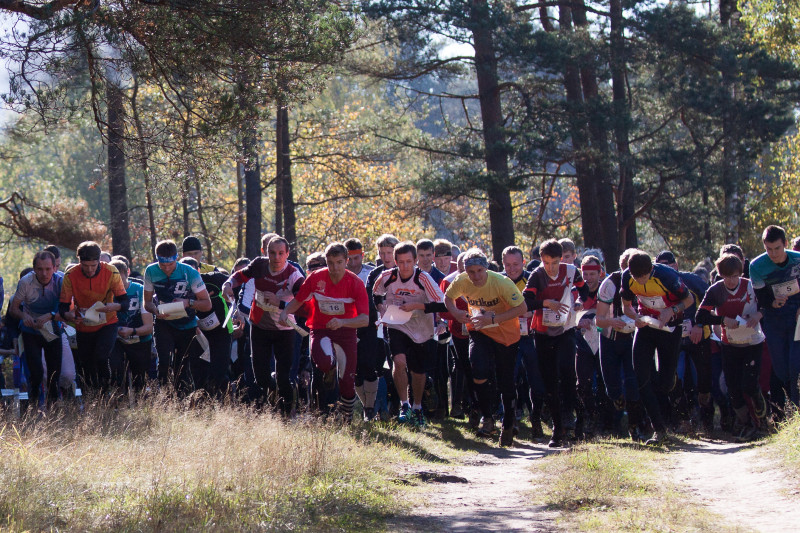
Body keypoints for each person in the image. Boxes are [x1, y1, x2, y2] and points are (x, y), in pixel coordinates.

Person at [445, 248, 527, 447]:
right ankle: (487, 418)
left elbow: (522, 308)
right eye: (471, 272)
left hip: (506, 334)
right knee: (478, 370)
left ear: (486, 268)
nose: (475, 276)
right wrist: (456, 313)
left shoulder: (501, 282)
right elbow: (448, 298)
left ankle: (508, 424)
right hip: (480, 330)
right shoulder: (462, 280)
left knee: (505, 380)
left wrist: (494, 317)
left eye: (479, 271)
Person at [279, 243, 369, 422]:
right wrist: (285, 311)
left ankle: (346, 417)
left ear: (347, 261)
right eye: (330, 263)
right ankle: (329, 371)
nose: (335, 268)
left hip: (346, 333)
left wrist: (343, 321)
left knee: (347, 380)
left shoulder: (356, 284)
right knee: (324, 362)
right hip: (321, 329)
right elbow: (299, 299)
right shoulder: (316, 278)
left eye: (339, 262)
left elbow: (365, 319)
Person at [223, 236, 304, 414]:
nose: (276, 257)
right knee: (260, 378)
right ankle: (271, 387)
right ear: (266, 253)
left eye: (280, 253)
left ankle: (285, 417)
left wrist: (280, 304)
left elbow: (304, 304)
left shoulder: (293, 274)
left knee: (284, 377)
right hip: (259, 327)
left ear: (287, 254)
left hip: (285, 329)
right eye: (272, 253)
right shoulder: (259, 265)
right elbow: (240, 276)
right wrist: (228, 284)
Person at [621, 251, 694, 445]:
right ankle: (659, 429)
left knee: (665, 381)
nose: (640, 282)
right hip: (646, 327)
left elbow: (689, 300)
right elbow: (626, 306)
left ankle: (676, 415)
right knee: (641, 376)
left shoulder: (667, 276)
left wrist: (671, 310)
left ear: (651, 270)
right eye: (636, 278)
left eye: (643, 278)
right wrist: (635, 317)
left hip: (670, 328)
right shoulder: (628, 277)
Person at [372, 241, 447, 427]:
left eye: (408, 262)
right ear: (395, 261)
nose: (405, 266)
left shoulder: (424, 279)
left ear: (415, 261)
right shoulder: (387, 276)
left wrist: (417, 306)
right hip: (397, 324)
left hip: (421, 328)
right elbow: (376, 294)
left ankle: (417, 406)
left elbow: (442, 304)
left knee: (418, 371)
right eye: (401, 262)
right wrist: (381, 307)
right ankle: (404, 405)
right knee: (398, 361)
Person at [523, 239, 589, 447]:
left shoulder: (571, 271)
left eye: (554, 262)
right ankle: (557, 429)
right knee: (549, 381)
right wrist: (545, 303)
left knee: (568, 369)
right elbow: (526, 301)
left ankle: (571, 415)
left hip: (566, 328)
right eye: (546, 262)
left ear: (562, 259)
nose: (550, 267)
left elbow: (584, 289)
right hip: (542, 332)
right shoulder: (537, 275)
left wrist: (579, 303)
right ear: (541, 260)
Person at [696, 254, 768, 441]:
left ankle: (762, 422)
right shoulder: (715, 291)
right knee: (733, 389)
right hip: (730, 344)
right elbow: (700, 316)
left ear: (741, 273)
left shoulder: (751, 285)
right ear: (720, 275)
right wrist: (722, 320)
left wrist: (759, 315)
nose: (731, 281)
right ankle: (746, 424)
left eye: (735, 276)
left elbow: (768, 303)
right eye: (727, 277)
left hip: (753, 342)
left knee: (750, 384)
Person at [59, 241, 129, 396]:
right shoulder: (70, 275)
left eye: (93, 265)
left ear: (99, 261)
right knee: (86, 365)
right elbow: (63, 307)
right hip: (83, 326)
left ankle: (106, 393)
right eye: (85, 266)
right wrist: (69, 315)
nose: (90, 270)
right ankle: (92, 398)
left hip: (107, 322)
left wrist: (113, 306)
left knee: (101, 356)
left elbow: (125, 302)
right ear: (79, 262)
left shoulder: (111, 271)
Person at [143, 239, 212, 394]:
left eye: (171, 264)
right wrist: (156, 311)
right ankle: (165, 398)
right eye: (163, 265)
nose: (167, 269)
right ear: (157, 260)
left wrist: (188, 302)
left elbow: (207, 304)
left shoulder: (190, 272)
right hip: (163, 323)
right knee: (164, 364)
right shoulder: (151, 271)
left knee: (182, 366)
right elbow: (147, 302)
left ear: (176, 258)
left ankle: (181, 401)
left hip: (187, 325)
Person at [655, 250, 713, 432]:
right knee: (674, 379)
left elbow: (710, 299)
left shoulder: (690, 280)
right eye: (661, 267)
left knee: (702, 381)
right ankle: (683, 420)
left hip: (698, 337)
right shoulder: (655, 284)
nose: (666, 271)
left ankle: (707, 421)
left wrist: (699, 323)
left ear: (676, 266)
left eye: (669, 266)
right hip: (674, 340)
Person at [595, 249, 644, 440]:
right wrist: (612, 322)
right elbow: (599, 320)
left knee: (633, 384)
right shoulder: (609, 284)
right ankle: (618, 403)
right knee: (612, 388)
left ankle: (635, 427)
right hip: (610, 339)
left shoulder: (645, 282)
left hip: (632, 339)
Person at [749, 225, 800, 406]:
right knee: (781, 370)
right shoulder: (756, 266)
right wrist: (771, 302)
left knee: (796, 365)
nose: (773, 253)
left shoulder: (798, 260)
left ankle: (796, 411)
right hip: (773, 318)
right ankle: (790, 406)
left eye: (777, 248)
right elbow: (760, 297)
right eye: (768, 249)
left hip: (796, 316)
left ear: (785, 244)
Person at [501, 245, 546, 439]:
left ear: (523, 263)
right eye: (508, 265)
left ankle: (536, 420)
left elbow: (544, 303)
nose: (512, 269)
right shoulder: (498, 281)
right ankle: (510, 422)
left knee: (536, 382)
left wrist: (532, 310)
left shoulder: (532, 279)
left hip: (531, 337)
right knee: (509, 380)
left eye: (516, 264)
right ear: (503, 264)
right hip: (507, 337)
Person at [10, 250, 63, 409]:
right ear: (34, 269)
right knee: (36, 373)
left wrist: (50, 316)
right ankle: (32, 409)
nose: (44, 273)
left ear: (54, 268)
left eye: (48, 269)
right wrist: (23, 316)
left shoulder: (61, 281)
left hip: (53, 330)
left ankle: (54, 411)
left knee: (54, 373)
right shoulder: (26, 282)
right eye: (39, 269)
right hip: (30, 331)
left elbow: (68, 312)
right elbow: (13, 309)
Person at [344, 237, 380, 421]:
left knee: (369, 365)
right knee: (354, 369)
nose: (352, 262)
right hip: (346, 325)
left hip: (369, 325)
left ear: (362, 255)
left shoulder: (371, 273)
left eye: (356, 257)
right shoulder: (339, 273)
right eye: (349, 258)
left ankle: (370, 407)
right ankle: (364, 404)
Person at [366, 234, 400, 418]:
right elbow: (369, 298)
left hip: (402, 327)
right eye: (382, 253)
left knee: (399, 366)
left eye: (390, 252)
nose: (386, 257)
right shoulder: (374, 273)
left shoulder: (407, 271)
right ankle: (381, 407)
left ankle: (400, 405)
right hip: (379, 328)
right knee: (379, 367)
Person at [109, 259, 153, 394]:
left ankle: (141, 408)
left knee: (140, 380)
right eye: (113, 279)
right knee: (116, 373)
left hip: (139, 340)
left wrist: (133, 331)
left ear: (127, 273)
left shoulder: (139, 291)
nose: (117, 284)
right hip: (116, 340)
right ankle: (119, 406)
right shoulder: (107, 292)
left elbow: (150, 326)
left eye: (120, 279)